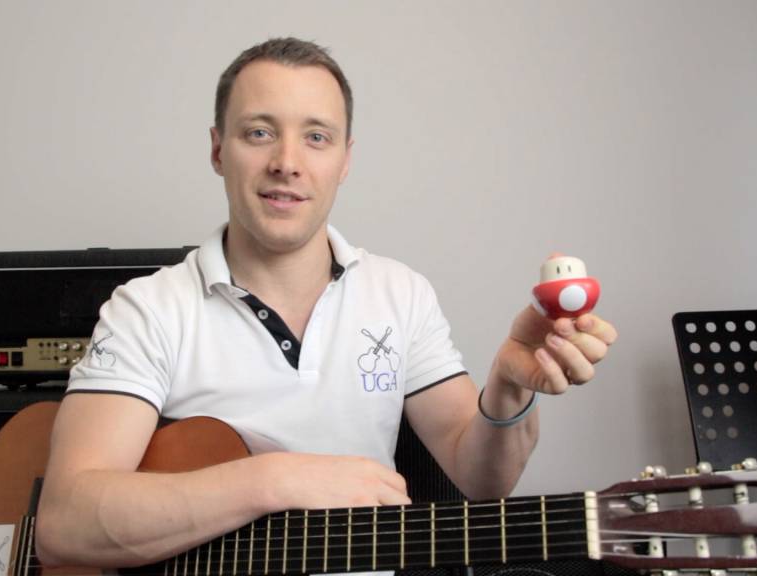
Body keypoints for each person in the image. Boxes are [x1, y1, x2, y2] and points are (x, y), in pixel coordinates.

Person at [35, 37, 617, 569]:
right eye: (259, 132)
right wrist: (278, 481)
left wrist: (509, 388)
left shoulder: (400, 294)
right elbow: (65, 522)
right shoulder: (146, 309)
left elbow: (482, 483)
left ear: (345, 160)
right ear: (217, 150)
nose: (287, 162)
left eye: (316, 137)